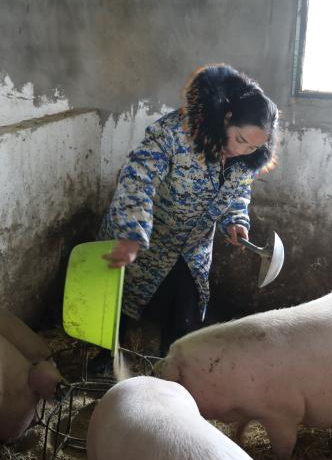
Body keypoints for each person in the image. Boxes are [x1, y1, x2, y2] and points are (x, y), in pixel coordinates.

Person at [91, 63, 279, 371]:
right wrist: (131, 233)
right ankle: (104, 357)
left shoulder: (248, 158)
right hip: (142, 238)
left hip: (192, 248)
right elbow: (138, 178)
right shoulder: (175, 133)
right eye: (240, 140)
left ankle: (169, 374)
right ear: (227, 118)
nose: (243, 151)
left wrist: (236, 220)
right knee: (119, 300)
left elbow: (239, 191)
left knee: (183, 312)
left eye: (254, 147)